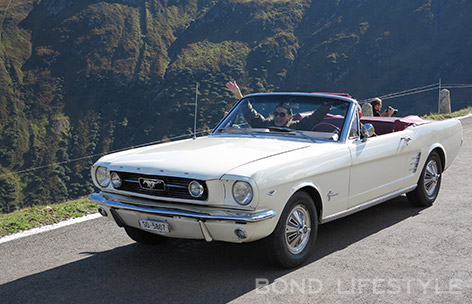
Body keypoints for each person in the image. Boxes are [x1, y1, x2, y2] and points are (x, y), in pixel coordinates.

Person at [224, 80, 330, 130]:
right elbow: (250, 114)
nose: (278, 117)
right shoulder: (265, 124)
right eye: (276, 114)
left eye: (282, 115)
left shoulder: (297, 126)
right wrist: (239, 95)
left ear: (289, 116)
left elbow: (314, 118)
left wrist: (326, 105)